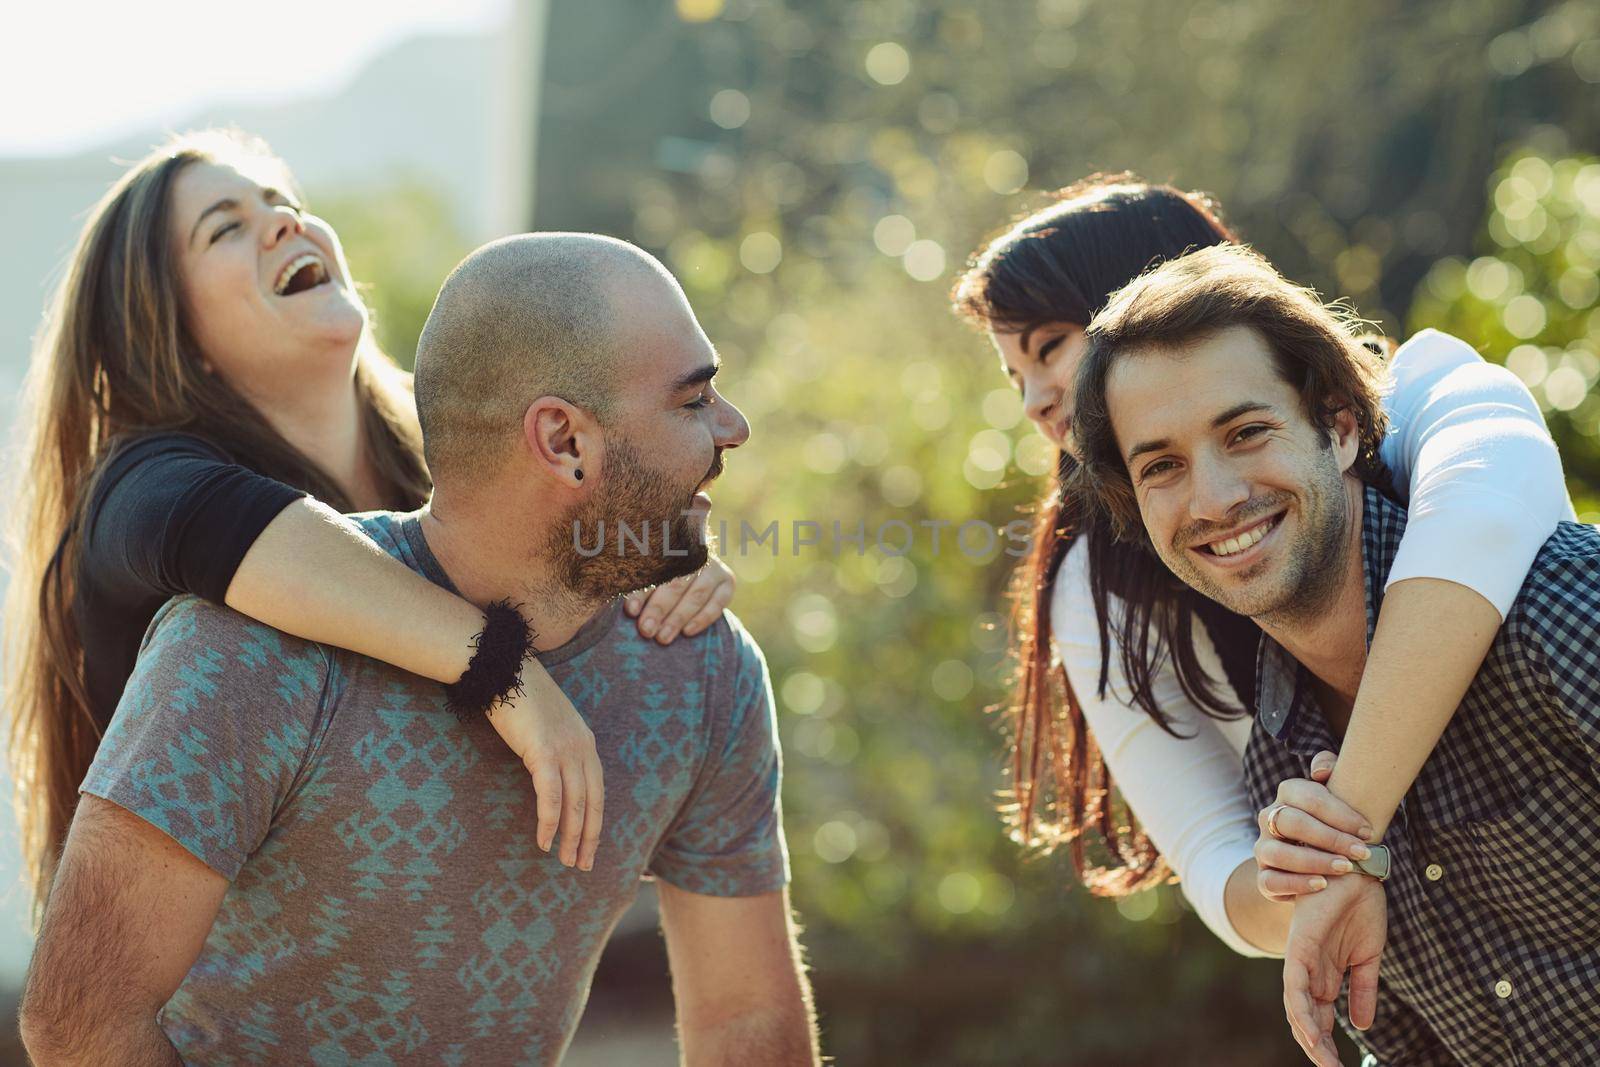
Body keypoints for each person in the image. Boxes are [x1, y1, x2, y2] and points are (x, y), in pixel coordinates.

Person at [19, 232, 819, 1066]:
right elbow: (80, 1020)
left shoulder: (699, 665)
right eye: (693, 401)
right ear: (565, 443)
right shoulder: (246, 650)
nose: (735, 426)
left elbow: (745, 1020)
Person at [2, 129, 735, 909]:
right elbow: (231, 525)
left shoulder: (441, 461)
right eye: (226, 227)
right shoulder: (137, 492)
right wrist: (504, 672)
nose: (286, 223)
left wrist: (659, 555)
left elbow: (581, 516)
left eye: (285, 204)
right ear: (172, 333)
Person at [950, 175, 1573, 957]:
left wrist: (1346, 823)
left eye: (1051, 350)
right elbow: (1219, 865)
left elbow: (1487, 518)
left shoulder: (1419, 393)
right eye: (1015, 378)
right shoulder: (1094, 588)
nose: (1037, 401)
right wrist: (1323, 879)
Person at [1071, 242, 1600, 1065]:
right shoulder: (1281, 777)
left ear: (1342, 426)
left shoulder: (1555, 610)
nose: (1213, 498)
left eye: (1246, 432)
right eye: (1163, 466)